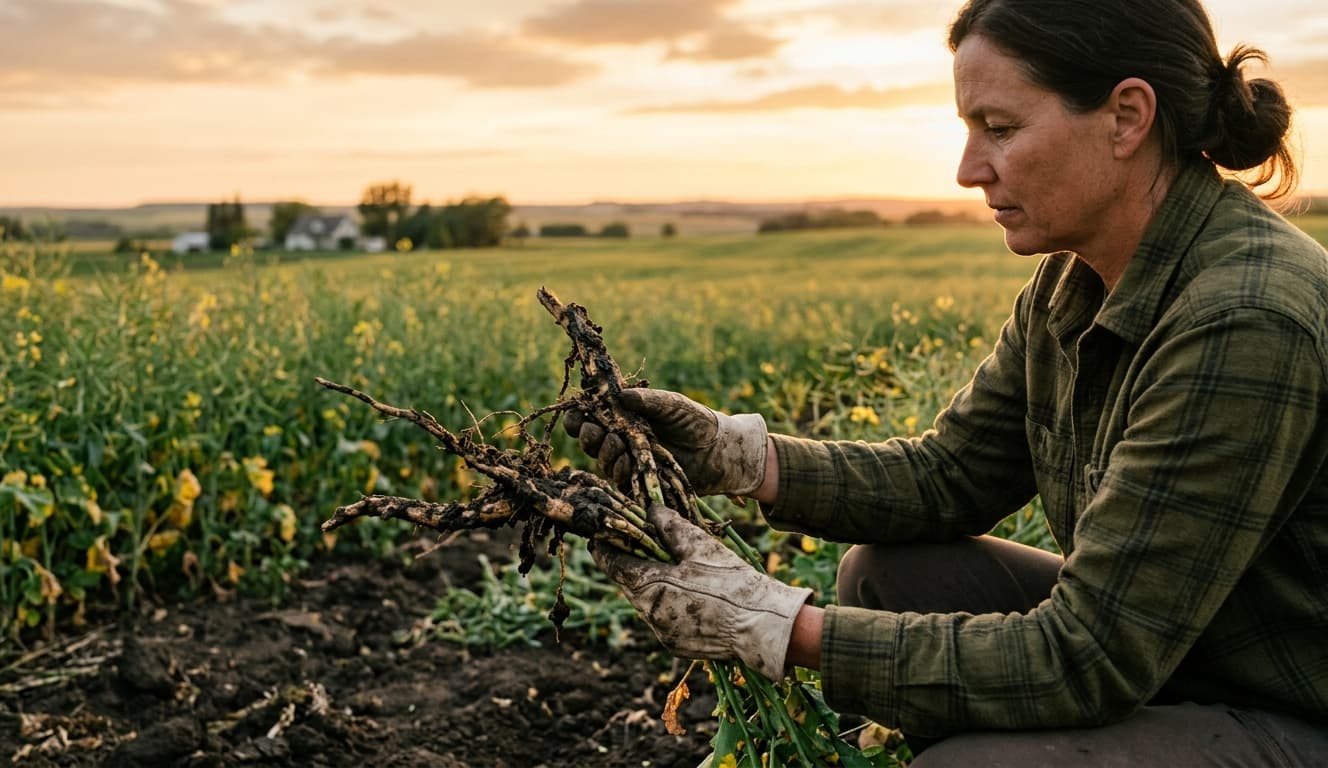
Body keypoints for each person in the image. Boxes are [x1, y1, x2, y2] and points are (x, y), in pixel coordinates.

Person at [565, 0, 1328, 763]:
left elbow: (1089, 656)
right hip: (1181, 651)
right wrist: (738, 458)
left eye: (1000, 128)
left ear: (1127, 118)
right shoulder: (1077, 276)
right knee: (889, 576)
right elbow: (950, 475)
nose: (969, 169)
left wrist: (773, 625)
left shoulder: (1244, 315)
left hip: (1289, 706)